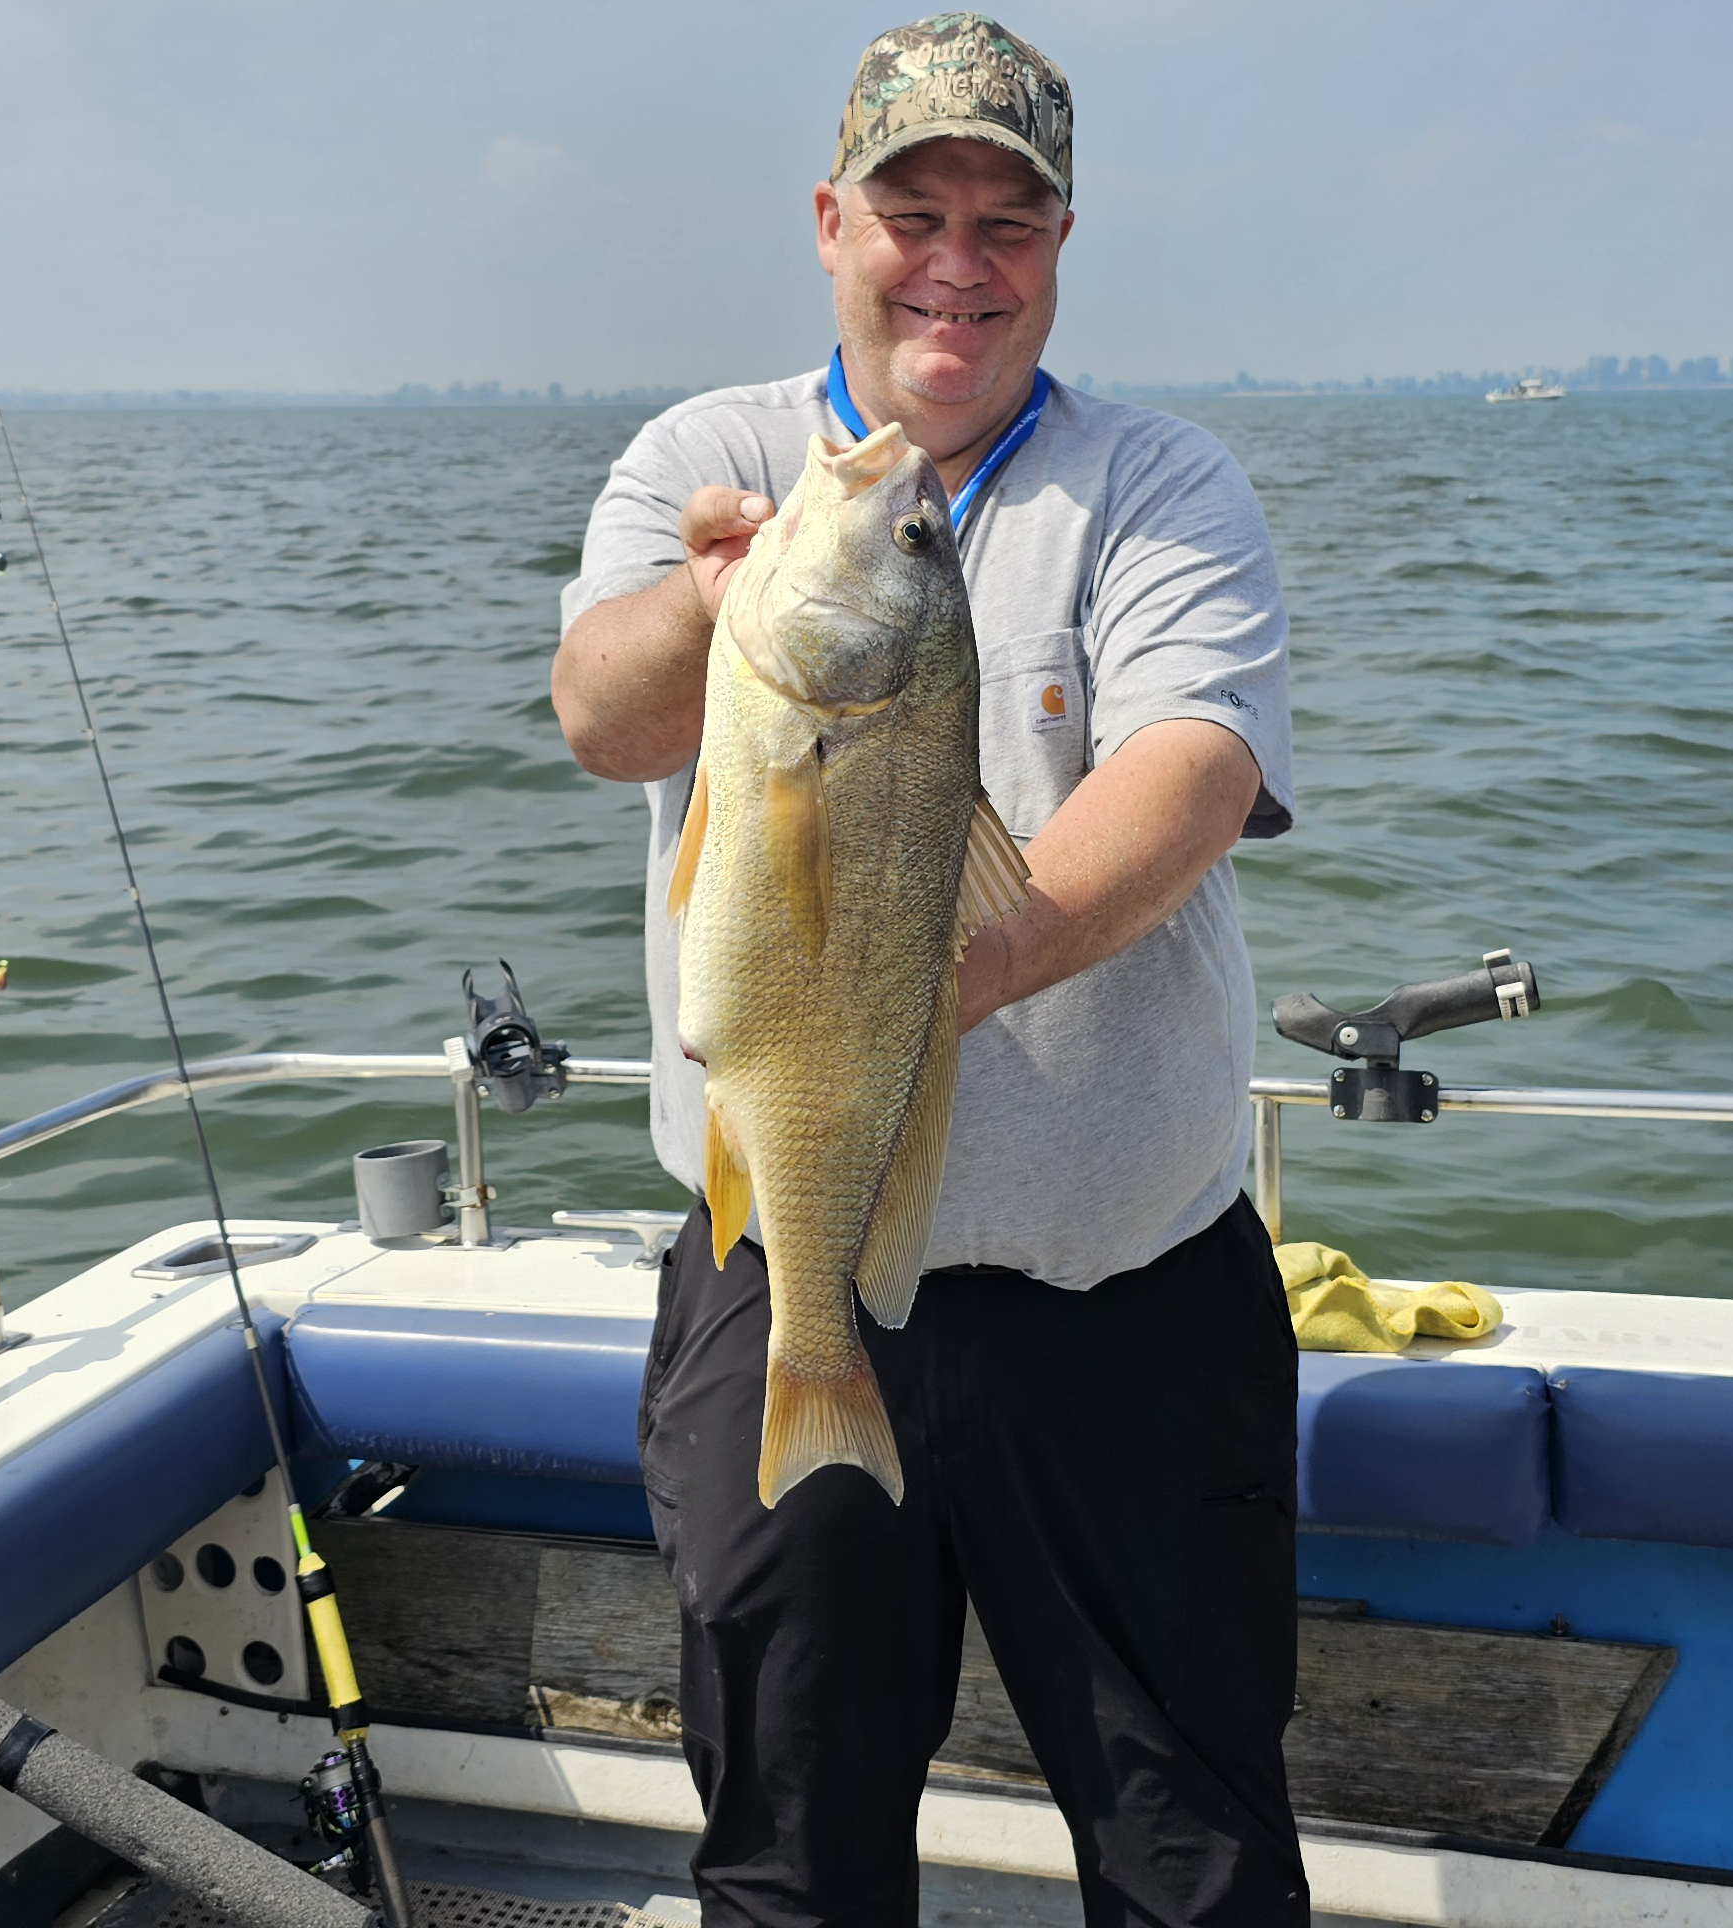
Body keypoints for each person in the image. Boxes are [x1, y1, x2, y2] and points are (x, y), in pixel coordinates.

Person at [551, 15, 1306, 1925]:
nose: (959, 261)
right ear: (830, 220)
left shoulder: (1162, 481)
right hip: (783, 1270)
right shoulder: (705, 461)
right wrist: (710, 600)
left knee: (1191, 1848)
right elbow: (603, 715)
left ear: (1061, 248)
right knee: (789, 1838)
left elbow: (1196, 765)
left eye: (1010, 220)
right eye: (914, 209)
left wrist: (923, 981)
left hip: (1120, 1292)